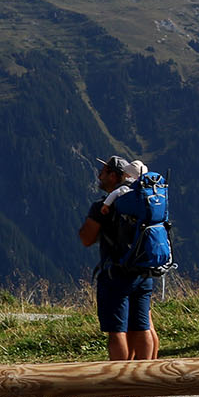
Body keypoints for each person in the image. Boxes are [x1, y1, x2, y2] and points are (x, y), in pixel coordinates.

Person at [78, 155, 159, 361]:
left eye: (103, 172)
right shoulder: (143, 201)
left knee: (117, 331)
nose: (99, 176)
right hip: (143, 272)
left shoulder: (103, 206)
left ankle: (120, 375)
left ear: (114, 176)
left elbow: (86, 239)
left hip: (116, 273)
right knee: (142, 326)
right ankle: (146, 373)